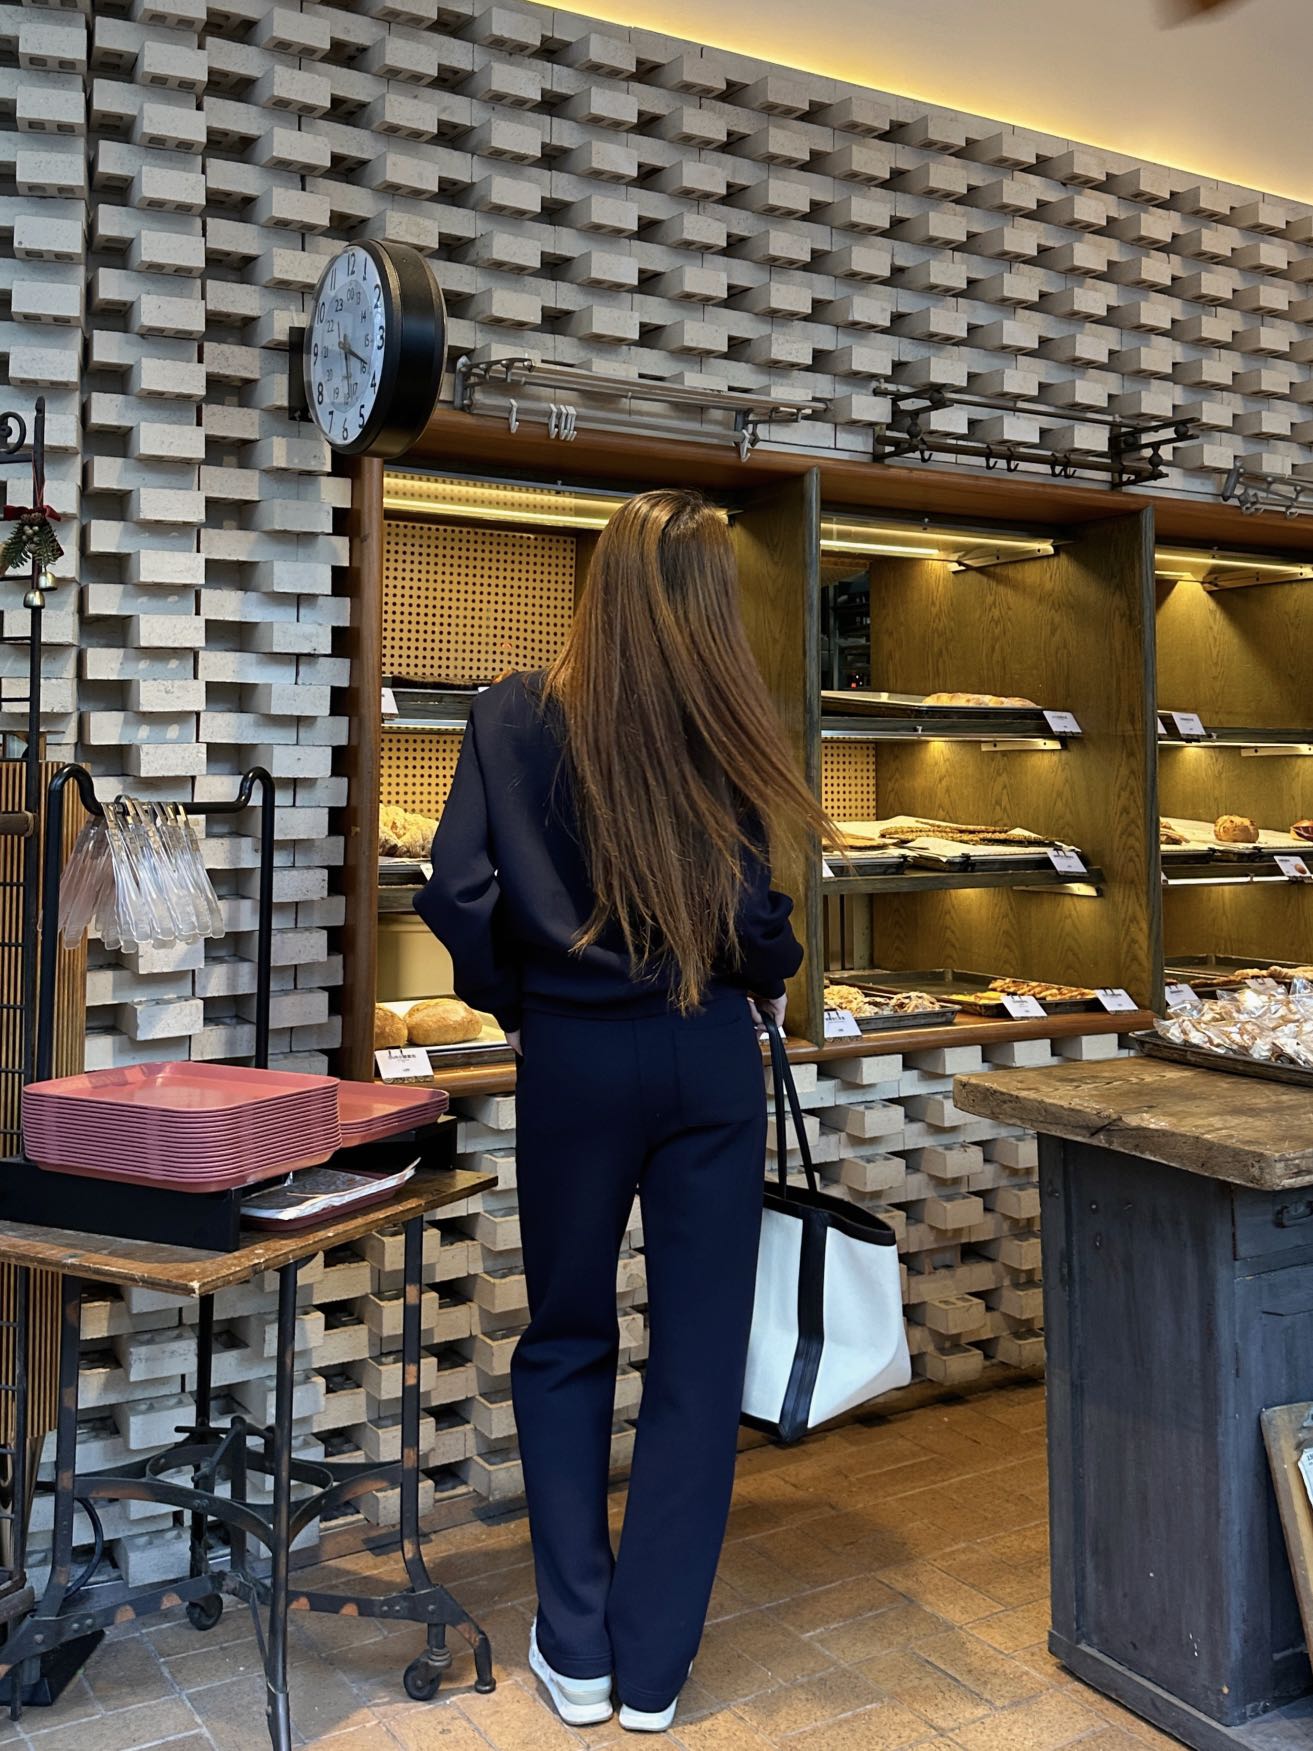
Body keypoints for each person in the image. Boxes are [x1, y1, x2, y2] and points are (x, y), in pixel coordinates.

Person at [415, 488, 832, 1731]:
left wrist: (517, 1001)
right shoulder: (724, 722)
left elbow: (455, 892)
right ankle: (651, 1671)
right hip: (706, 1052)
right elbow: (758, 925)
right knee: (697, 1356)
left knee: (563, 1336)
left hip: (573, 1060)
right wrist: (763, 969)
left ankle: (576, 1645)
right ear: (710, 602)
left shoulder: (508, 711)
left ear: (596, 584)